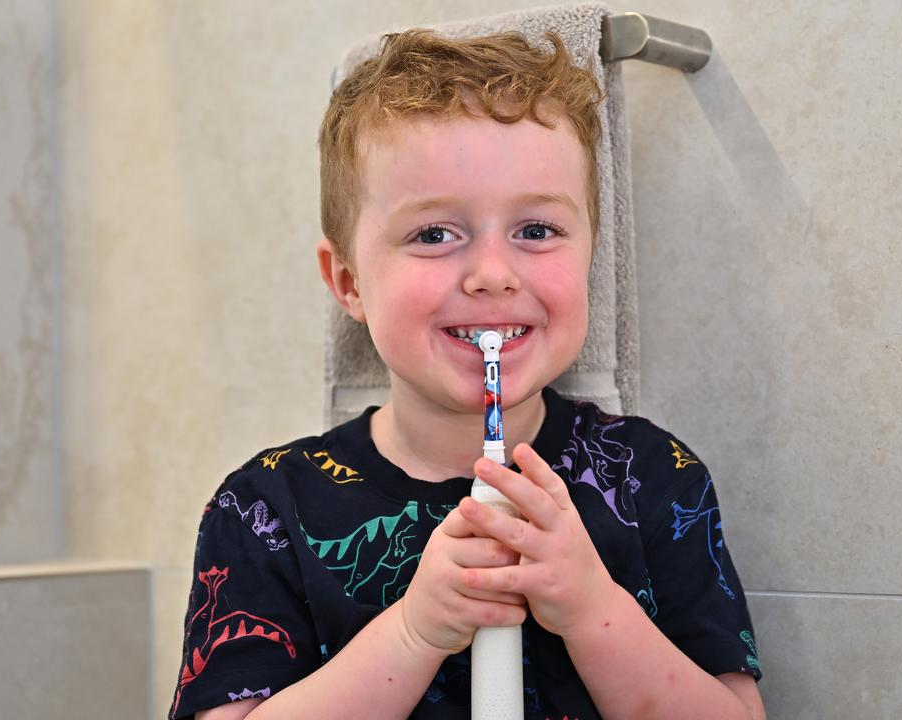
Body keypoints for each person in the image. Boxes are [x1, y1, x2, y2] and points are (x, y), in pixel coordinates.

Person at [170, 28, 766, 720]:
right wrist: (414, 631)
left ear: (590, 258)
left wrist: (592, 608)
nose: (492, 276)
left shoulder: (652, 477)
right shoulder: (266, 509)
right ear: (349, 282)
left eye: (537, 230)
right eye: (434, 234)